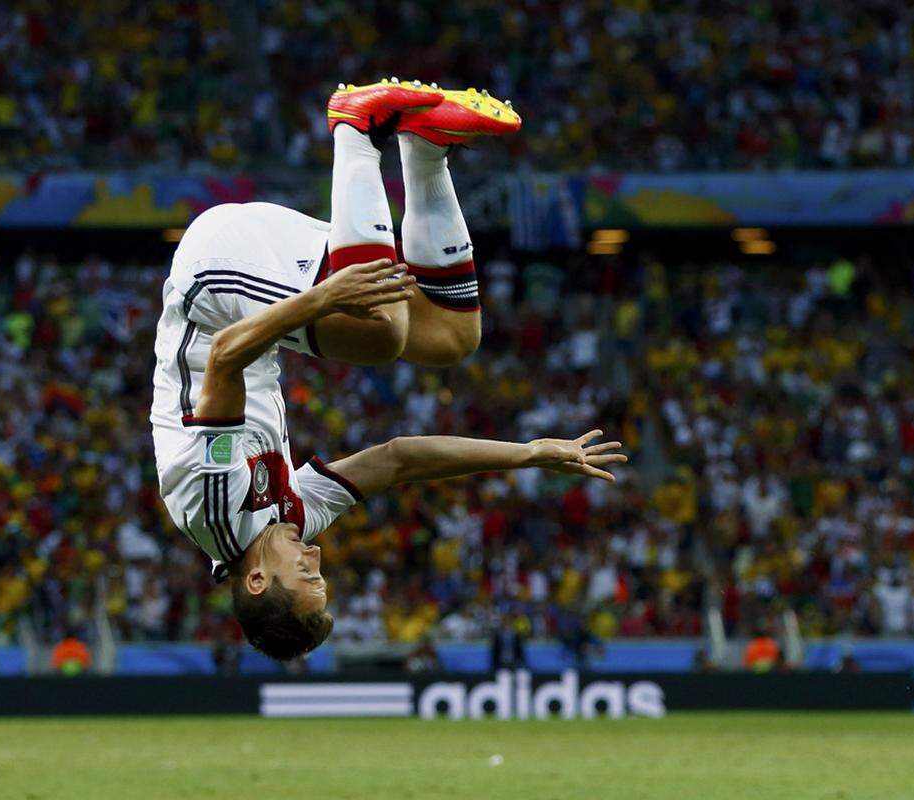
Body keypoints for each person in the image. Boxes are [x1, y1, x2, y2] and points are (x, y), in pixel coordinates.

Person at [152, 79, 626, 661]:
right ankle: (426, 149)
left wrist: (323, 300)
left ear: (257, 580)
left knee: (381, 333)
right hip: (254, 285)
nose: (317, 559)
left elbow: (224, 355)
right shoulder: (292, 518)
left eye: (307, 577)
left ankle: (355, 128)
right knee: (452, 336)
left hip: (212, 280)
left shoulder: (214, 507)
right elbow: (398, 459)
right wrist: (526, 453)